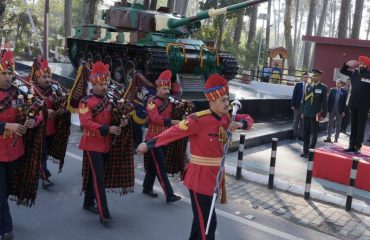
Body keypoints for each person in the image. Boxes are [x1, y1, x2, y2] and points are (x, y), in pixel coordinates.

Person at [137, 73, 254, 240]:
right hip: (199, 178)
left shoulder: (227, 117)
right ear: (212, 102)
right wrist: (148, 145)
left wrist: (241, 123)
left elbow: (249, 120)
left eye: (227, 99)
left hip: (214, 177)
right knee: (207, 226)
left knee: (201, 223)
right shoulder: (198, 120)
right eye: (223, 100)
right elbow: (173, 133)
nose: (227, 103)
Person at [79, 61, 126, 224]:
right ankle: (104, 213)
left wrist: (121, 122)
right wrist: (108, 129)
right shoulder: (86, 102)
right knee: (99, 178)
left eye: (106, 83)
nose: (104, 87)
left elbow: (112, 118)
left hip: (105, 144)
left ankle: (87, 203)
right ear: (93, 84)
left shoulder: (110, 99)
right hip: (92, 144)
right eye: (100, 84)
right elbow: (86, 123)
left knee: (95, 175)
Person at [0, 50, 41, 240]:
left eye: (9, 73)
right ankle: (6, 229)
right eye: (3, 73)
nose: (7, 77)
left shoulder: (19, 92)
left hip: (15, 150)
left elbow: (35, 111)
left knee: (7, 190)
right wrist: (7, 125)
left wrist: (34, 120)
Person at [142, 70, 182, 203]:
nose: (166, 91)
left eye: (168, 88)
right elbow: (155, 118)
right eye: (164, 88)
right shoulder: (151, 102)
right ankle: (169, 194)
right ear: (158, 88)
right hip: (153, 139)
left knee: (154, 166)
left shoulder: (170, 102)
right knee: (161, 166)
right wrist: (171, 122)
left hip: (165, 138)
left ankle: (147, 187)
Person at [31, 59, 69, 189]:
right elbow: (29, 109)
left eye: (48, 76)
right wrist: (47, 112)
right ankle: (45, 177)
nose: (47, 79)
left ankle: (38, 171)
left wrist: (63, 108)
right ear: (37, 77)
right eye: (44, 77)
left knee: (44, 154)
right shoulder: (31, 91)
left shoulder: (54, 89)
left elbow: (62, 103)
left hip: (51, 129)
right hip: (37, 129)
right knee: (42, 153)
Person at [340, 56, 370, 153]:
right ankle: (351, 145)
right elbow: (342, 71)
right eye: (360, 63)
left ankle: (358, 146)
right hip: (353, 104)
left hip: (364, 105)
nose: (362, 65)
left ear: (367, 66)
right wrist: (347, 64)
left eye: (364, 64)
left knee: (360, 126)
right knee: (353, 126)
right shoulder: (354, 73)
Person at [300, 69, 328, 158]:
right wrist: (302, 111)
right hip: (307, 112)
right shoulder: (308, 86)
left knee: (314, 133)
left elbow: (324, 102)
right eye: (313, 75)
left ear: (320, 77)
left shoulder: (323, 87)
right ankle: (305, 150)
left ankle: (311, 151)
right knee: (306, 133)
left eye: (316, 76)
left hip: (315, 114)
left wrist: (323, 114)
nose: (314, 77)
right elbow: (304, 100)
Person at [291, 72, 309, 140]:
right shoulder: (298, 85)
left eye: (307, 77)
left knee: (302, 121)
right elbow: (294, 95)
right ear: (302, 78)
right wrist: (292, 105)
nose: (306, 79)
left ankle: (300, 135)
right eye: (304, 77)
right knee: (296, 121)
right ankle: (294, 134)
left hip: (305, 107)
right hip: (297, 105)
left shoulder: (309, 86)